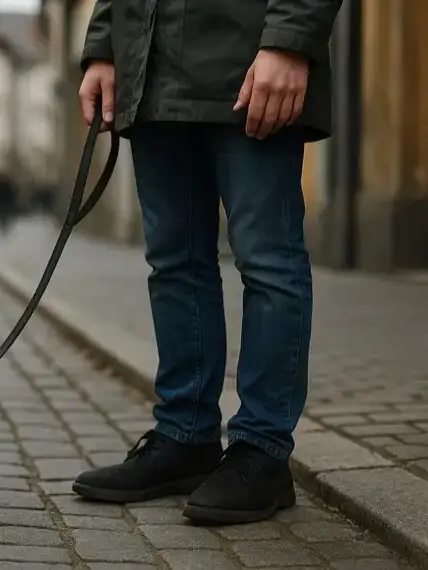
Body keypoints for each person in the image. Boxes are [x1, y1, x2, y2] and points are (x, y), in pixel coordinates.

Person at [71, 0, 343, 524]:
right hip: (149, 69)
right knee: (173, 264)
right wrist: (104, 46)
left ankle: (261, 452)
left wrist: (289, 38)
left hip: (249, 61)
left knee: (267, 264)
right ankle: (184, 437)